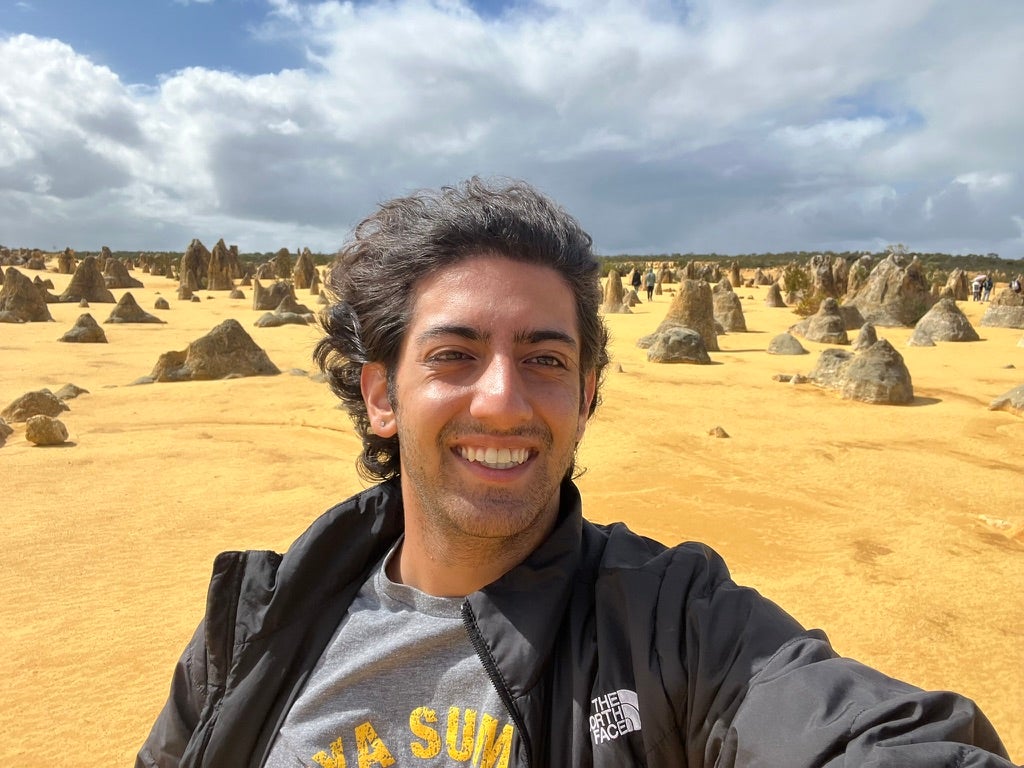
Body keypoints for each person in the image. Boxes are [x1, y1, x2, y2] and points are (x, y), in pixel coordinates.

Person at [137, 178, 1016, 768]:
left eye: (546, 360)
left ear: (588, 394)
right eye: (454, 355)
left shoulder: (668, 624)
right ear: (380, 396)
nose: (503, 400)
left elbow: (852, 731)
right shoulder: (249, 627)